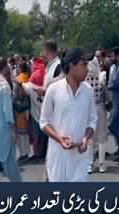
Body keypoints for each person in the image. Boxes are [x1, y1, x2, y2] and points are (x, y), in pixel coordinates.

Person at [40, 48, 97, 182]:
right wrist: (59, 139)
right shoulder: (54, 90)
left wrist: (85, 138)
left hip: (80, 157)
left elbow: (92, 120)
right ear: (71, 66)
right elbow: (44, 122)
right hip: (58, 157)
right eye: (83, 64)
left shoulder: (88, 91)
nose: (87, 69)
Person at [87, 49, 109, 173]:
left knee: (92, 138)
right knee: (100, 137)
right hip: (99, 108)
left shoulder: (85, 79)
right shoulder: (102, 75)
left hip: (91, 108)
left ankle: (92, 163)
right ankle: (100, 163)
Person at [14, 62, 31, 160]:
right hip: (27, 107)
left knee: (21, 132)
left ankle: (23, 153)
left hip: (19, 108)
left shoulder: (19, 78)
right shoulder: (28, 76)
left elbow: (16, 93)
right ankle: (27, 152)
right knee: (26, 132)